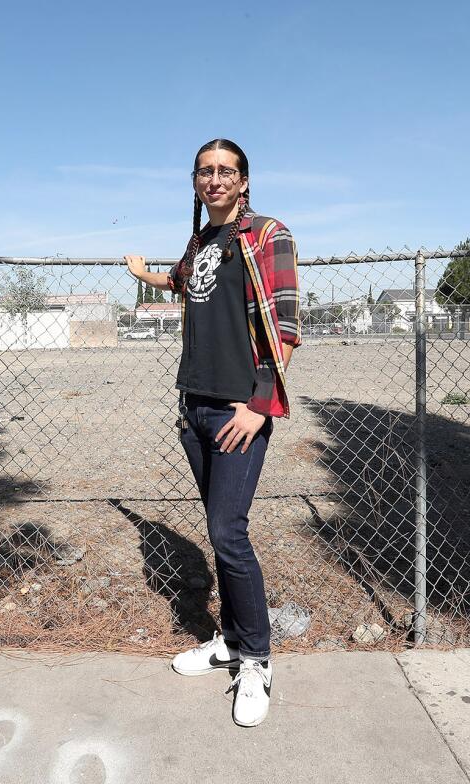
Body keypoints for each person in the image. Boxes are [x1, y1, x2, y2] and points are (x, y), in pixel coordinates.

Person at [125, 138, 301, 727]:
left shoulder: (267, 234)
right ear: (195, 182)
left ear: (244, 180)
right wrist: (140, 273)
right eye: (206, 171)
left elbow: (288, 325)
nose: (215, 179)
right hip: (194, 410)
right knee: (218, 527)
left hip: (237, 413)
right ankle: (231, 637)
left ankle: (256, 658)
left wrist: (261, 406)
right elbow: (179, 281)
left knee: (228, 533)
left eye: (226, 170)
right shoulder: (201, 241)